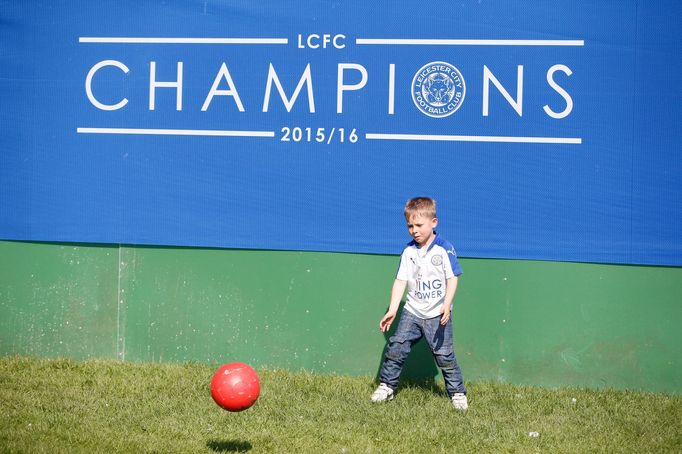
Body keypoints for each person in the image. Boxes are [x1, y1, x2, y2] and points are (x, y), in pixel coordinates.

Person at [371, 197, 468, 410]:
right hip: (412, 311)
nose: (414, 230)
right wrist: (393, 309)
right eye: (410, 226)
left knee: (445, 356)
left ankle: (457, 393)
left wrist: (447, 304)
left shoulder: (444, 249)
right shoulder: (408, 251)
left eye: (419, 225)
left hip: (437, 314)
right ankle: (387, 386)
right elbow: (400, 281)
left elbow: (453, 278)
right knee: (396, 347)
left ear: (434, 222)